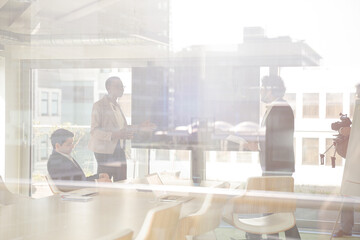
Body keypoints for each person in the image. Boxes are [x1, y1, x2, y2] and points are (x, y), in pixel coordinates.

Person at [246, 75, 300, 240]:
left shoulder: (281, 108)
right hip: (274, 167)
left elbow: (278, 140)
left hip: (277, 168)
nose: (261, 92)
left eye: (263, 88)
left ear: (271, 89)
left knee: (274, 210)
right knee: (278, 210)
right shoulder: (275, 107)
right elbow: (272, 136)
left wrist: (258, 143)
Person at [88, 76, 155, 182]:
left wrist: (140, 127)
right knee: (106, 182)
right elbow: (94, 131)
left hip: (119, 148)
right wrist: (115, 135)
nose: (122, 89)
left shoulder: (117, 106)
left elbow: (123, 129)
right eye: (118, 86)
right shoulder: (99, 105)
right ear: (108, 88)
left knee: (122, 180)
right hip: (104, 151)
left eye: (122, 86)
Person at [332, 83, 360, 238]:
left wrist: (350, 131)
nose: (357, 96)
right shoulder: (358, 109)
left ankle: (346, 228)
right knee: (348, 195)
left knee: (350, 193)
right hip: (355, 162)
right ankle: (346, 228)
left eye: (358, 93)